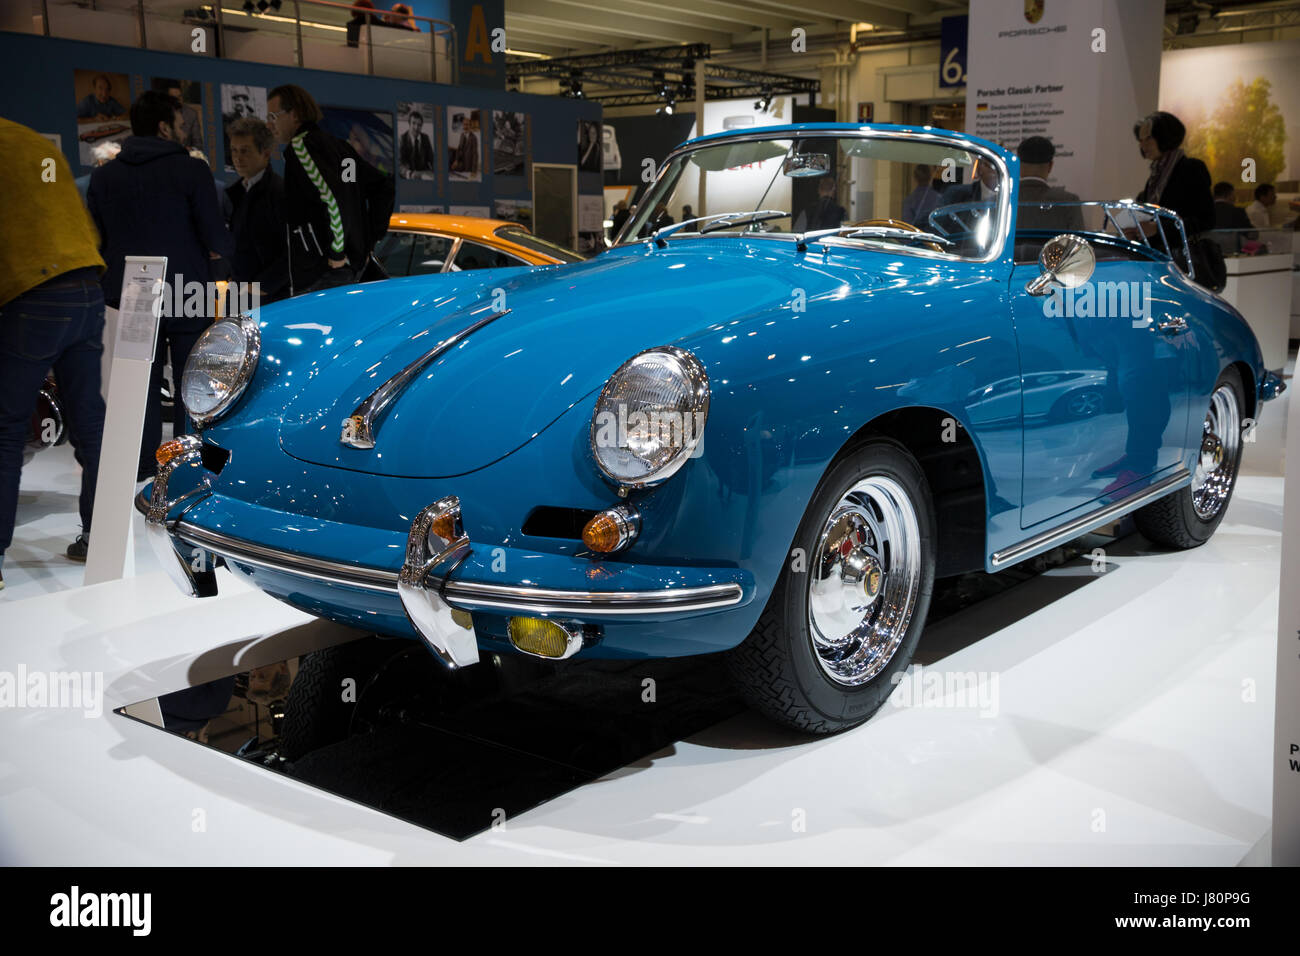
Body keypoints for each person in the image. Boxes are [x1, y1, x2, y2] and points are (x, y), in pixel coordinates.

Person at [87, 90, 234, 483]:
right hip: (188, 290)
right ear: (164, 127)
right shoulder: (190, 170)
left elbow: (99, 239)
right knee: (191, 384)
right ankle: (185, 467)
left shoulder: (104, 176)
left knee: (141, 385)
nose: (185, 132)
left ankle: (143, 467)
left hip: (133, 293)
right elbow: (215, 237)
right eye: (182, 125)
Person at [0, 118, 108, 579]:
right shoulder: (26, 137)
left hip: (33, 293)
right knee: (88, 421)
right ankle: (98, 539)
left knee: (4, 431)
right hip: (85, 282)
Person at [265, 84, 395, 294]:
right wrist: (367, 239)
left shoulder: (302, 147)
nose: (269, 124)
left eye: (273, 116)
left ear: (295, 114)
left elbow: (332, 200)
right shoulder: (341, 148)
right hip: (349, 268)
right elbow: (382, 186)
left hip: (323, 273)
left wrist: (336, 252)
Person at [225, 117, 290, 305]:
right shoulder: (236, 192)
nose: (237, 157)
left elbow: (291, 251)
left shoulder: (279, 193)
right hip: (240, 294)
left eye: (245, 151)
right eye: (234, 150)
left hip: (269, 298)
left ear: (266, 153)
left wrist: (263, 286)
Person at [1131, 111, 1213, 239]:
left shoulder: (1191, 168)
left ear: (1165, 137)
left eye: (1149, 138)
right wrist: (1135, 232)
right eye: (1141, 140)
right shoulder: (1155, 177)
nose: (1143, 145)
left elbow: (1206, 221)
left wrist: (1158, 228)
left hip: (1182, 255)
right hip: (1159, 255)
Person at [1014, 136, 1083, 232]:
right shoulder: (1069, 202)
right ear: (1050, 166)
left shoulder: (1000, 200)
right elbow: (1076, 243)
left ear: (1018, 164)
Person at [1209, 181, 1254, 254]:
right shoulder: (1237, 212)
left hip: (1209, 254)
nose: (1234, 197)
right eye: (1233, 194)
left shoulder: (1204, 212)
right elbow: (1251, 234)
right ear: (1229, 194)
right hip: (1232, 253)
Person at [400, 109, 434, 177]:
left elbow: (432, 159)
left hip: (424, 174)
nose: (416, 127)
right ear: (409, 124)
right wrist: (410, 174)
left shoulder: (425, 138)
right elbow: (400, 164)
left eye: (419, 125)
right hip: (409, 176)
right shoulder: (402, 139)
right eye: (414, 123)